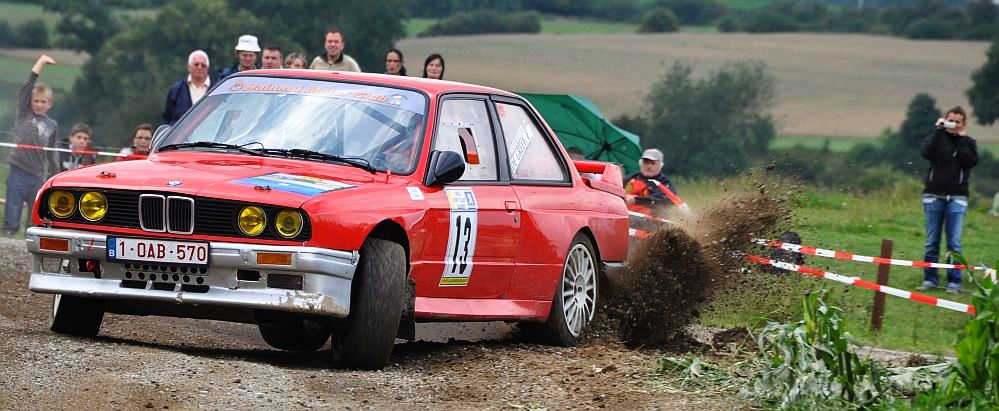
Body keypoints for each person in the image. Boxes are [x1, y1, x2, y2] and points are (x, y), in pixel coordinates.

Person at [916, 107, 978, 294]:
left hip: (957, 197)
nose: (953, 124)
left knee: (954, 243)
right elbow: (926, 153)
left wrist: (960, 140)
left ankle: (954, 282)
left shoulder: (968, 142)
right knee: (931, 241)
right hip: (933, 196)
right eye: (950, 120)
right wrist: (938, 130)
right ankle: (930, 279)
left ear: (963, 124)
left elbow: (970, 162)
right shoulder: (937, 138)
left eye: (957, 122)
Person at [3, 54, 60, 237]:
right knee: (12, 215)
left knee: (34, 221)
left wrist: (56, 176)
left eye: (43, 101)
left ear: (50, 104)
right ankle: (7, 238)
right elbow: (27, 88)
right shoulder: (24, 115)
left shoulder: (52, 125)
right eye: (36, 101)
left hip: (38, 176)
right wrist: (41, 62)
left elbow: (52, 154)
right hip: (18, 171)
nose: (39, 104)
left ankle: (29, 246)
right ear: (30, 102)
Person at [162, 50, 211, 125]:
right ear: (189, 67)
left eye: (203, 65)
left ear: (208, 68)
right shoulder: (176, 91)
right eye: (196, 64)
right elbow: (167, 118)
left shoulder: (217, 89)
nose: (200, 67)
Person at [623, 148, 676, 217]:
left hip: (652, 222)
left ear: (660, 165)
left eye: (653, 163)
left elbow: (665, 200)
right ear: (641, 163)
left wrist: (636, 200)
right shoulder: (629, 178)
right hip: (626, 217)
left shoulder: (664, 183)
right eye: (646, 162)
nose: (648, 166)